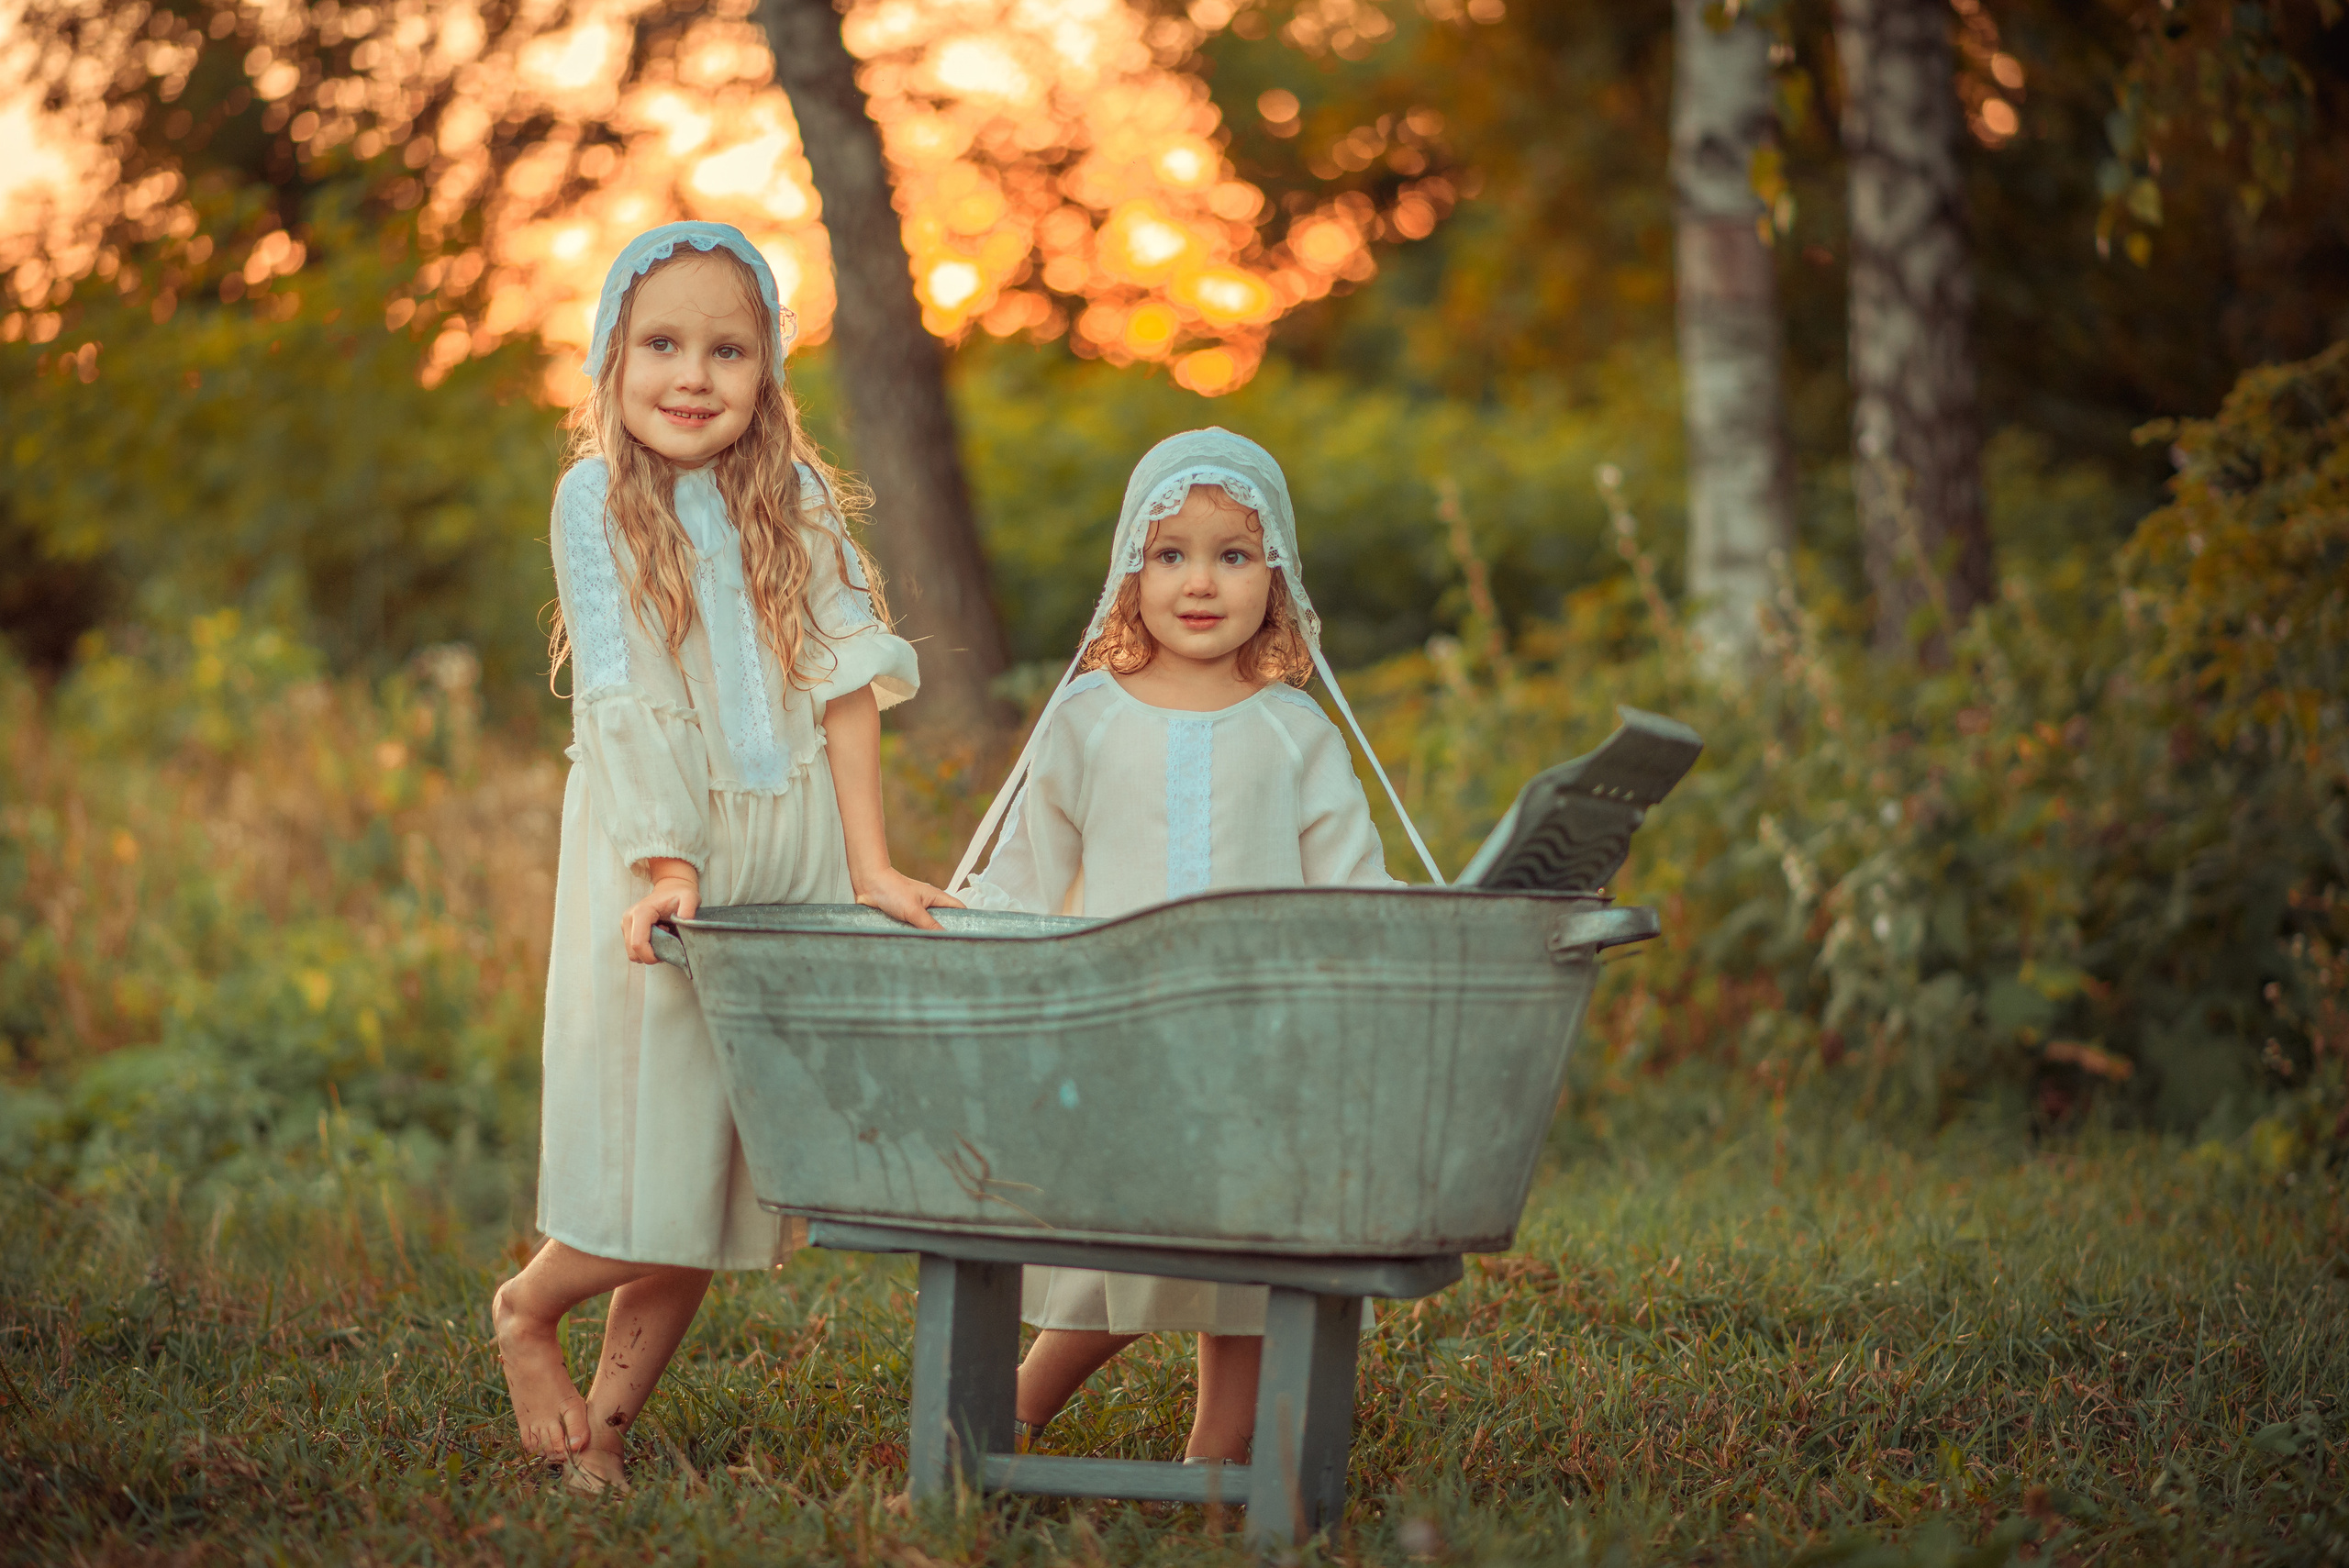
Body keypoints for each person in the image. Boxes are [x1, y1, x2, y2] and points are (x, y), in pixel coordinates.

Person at [491, 222, 959, 1493]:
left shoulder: (793, 496)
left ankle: (611, 1429)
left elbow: (849, 683)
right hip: (661, 852)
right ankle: (528, 1311)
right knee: (651, 1157)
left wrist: (868, 863)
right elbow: (625, 692)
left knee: (714, 1181)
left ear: (767, 372)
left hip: (786, 850)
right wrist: (663, 861)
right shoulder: (595, 497)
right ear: (610, 356)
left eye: (726, 349)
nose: (692, 375)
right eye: (661, 345)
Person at [956, 428, 1435, 1463]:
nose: (1201, 581)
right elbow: (1026, 874)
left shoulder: (1293, 730)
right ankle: (1004, 1416)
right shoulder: (1084, 719)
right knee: (1115, 1250)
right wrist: (964, 933)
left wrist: (1446, 921)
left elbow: (1353, 886)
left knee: (1246, 1252)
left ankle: (1218, 1454)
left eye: (1234, 554)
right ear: (1131, 569)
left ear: (1280, 575)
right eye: (1171, 553)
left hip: (1259, 1045)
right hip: (1114, 1034)